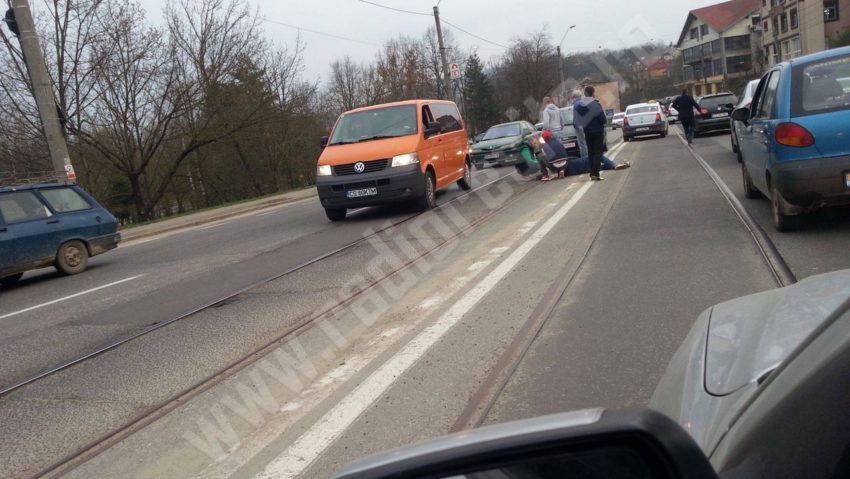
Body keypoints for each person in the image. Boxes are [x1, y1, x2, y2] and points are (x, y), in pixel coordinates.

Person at [574, 85, 608, 181]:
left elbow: (579, 119)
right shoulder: (595, 104)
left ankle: (591, 173)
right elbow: (603, 119)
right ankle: (596, 173)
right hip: (597, 131)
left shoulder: (580, 106)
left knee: (591, 153)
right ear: (592, 93)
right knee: (598, 152)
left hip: (587, 131)